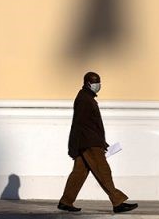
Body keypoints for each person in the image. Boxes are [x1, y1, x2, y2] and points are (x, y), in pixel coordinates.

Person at [58, 72, 138, 214]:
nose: (98, 85)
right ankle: (118, 202)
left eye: (99, 81)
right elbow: (77, 124)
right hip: (89, 143)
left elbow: (89, 124)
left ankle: (66, 201)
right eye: (95, 82)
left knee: (79, 173)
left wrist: (101, 142)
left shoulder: (87, 97)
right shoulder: (84, 99)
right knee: (103, 171)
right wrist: (73, 146)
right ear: (88, 83)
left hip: (89, 142)